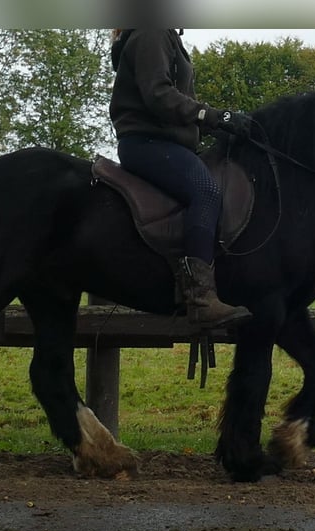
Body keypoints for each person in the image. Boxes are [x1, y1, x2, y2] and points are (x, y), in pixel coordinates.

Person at [109, 28, 253, 329]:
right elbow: (158, 94)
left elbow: (178, 108)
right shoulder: (153, 33)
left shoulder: (163, 35)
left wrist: (221, 125)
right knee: (206, 191)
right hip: (148, 143)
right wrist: (212, 115)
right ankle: (200, 298)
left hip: (165, 142)